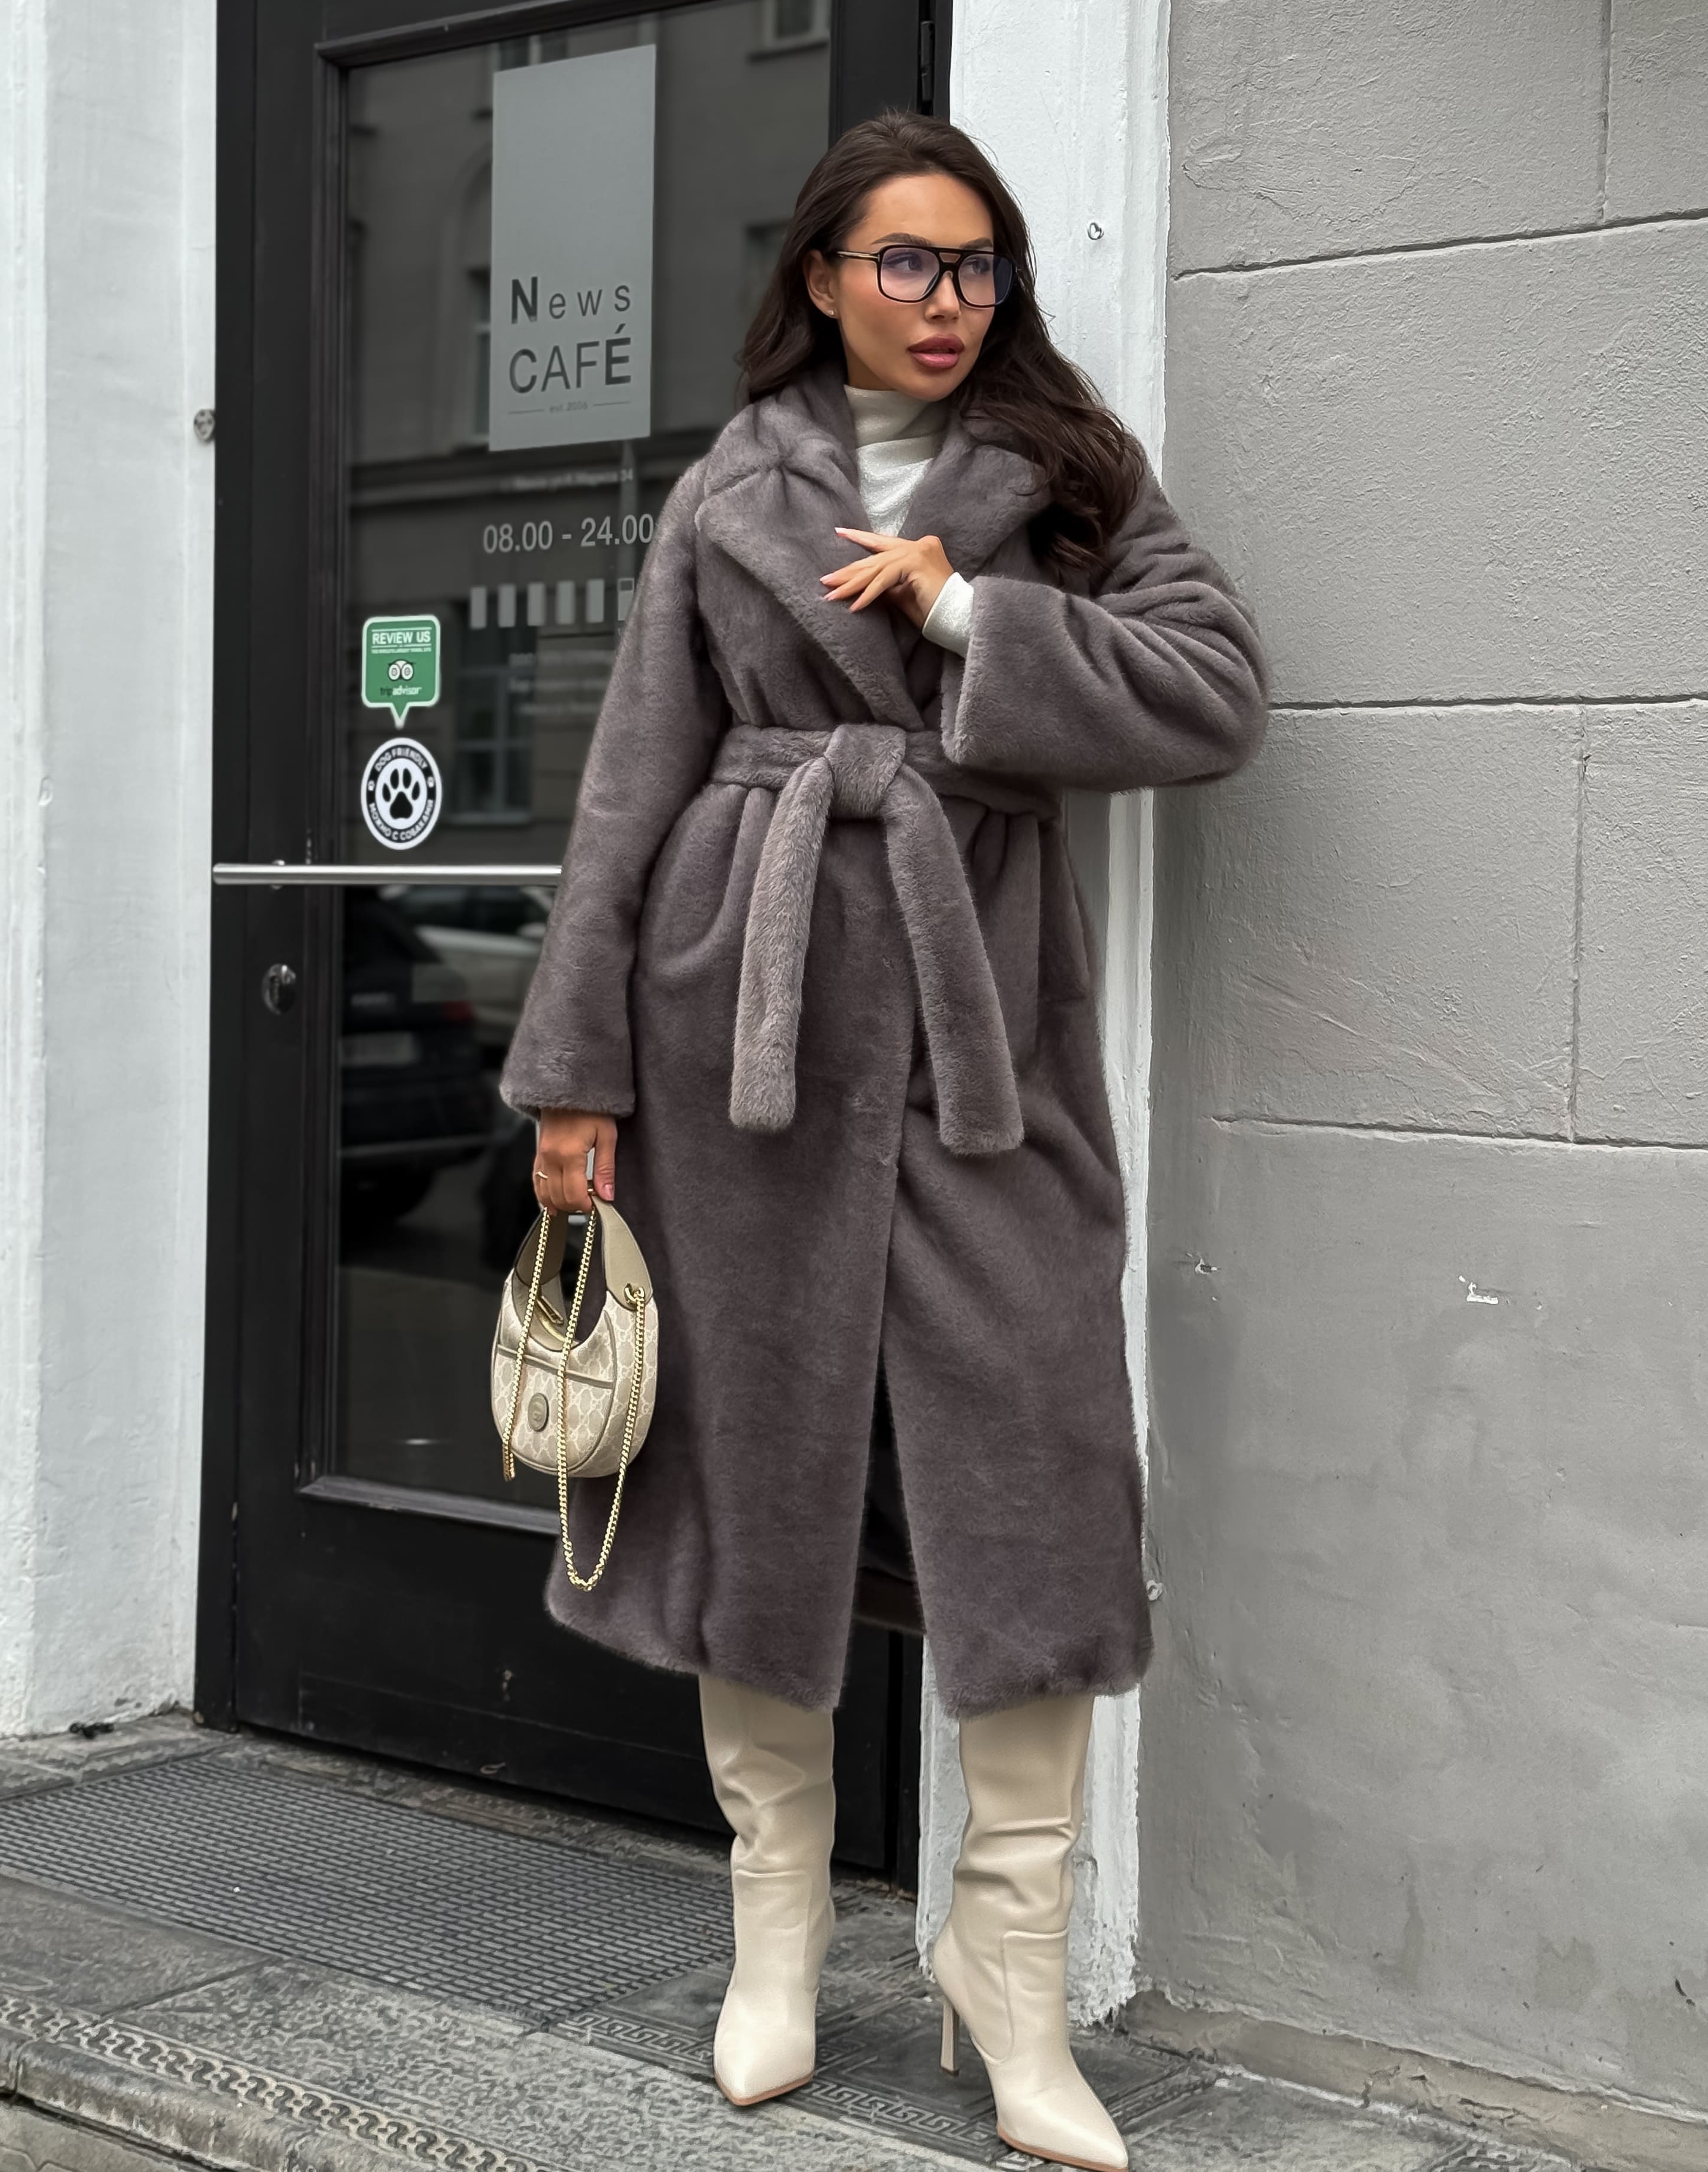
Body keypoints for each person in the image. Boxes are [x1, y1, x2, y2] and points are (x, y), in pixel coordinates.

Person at [501, 110, 1267, 2172]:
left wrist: (961, 619)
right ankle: (773, 1940)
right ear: (824, 275)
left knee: (1034, 1474)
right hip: (735, 1034)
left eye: (978, 264)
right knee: (752, 1469)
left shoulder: (1073, 475)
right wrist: (576, 1076)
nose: (949, 301)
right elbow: (627, 781)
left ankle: (1005, 1978)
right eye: (908, 263)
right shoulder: (726, 489)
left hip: (979, 1032)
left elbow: (1215, 695)